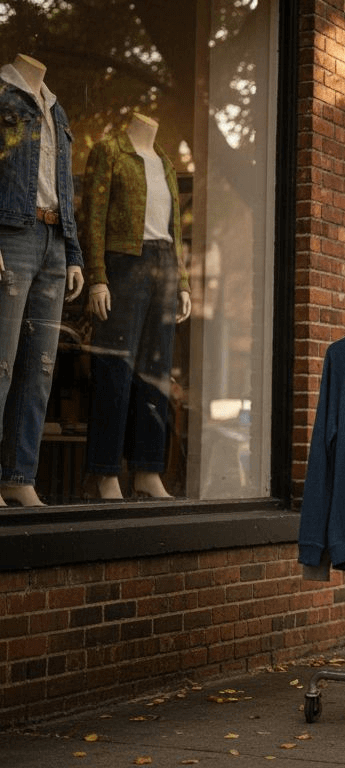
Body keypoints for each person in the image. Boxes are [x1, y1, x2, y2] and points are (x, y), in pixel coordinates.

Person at [80, 112, 191, 499]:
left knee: (156, 373)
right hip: (124, 261)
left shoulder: (165, 162)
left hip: (163, 264)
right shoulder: (109, 151)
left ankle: (147, 471)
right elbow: (91, 217)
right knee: (115, 368)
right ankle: (105, 471)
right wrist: (97, 275)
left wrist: (183, 282)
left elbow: (175, 229)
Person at [0, 54, 85, 507]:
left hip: (54, 237)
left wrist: (72, 252)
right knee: (2, 362)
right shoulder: (2, 94)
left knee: (41, 370)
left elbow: (64, 185)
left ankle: (18, 474)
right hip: (12, 233)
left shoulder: (56, 108)